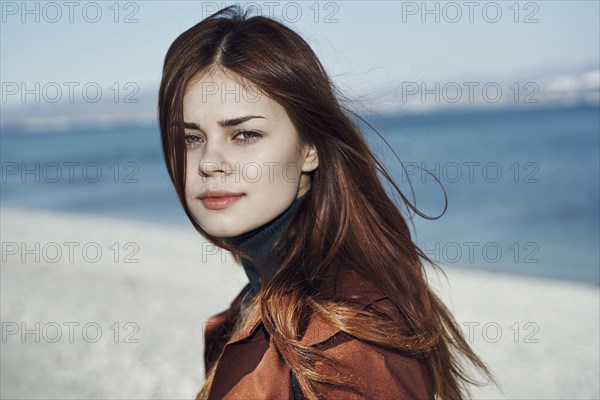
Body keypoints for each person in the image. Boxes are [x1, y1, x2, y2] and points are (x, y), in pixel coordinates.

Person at [158, 5, 495, 399]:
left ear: (310, 148)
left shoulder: (343, 338)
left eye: (245, 134)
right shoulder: (267, 295)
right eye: (190, 138)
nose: (210, 163)